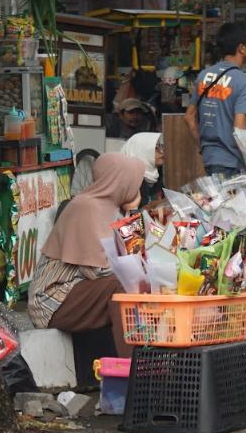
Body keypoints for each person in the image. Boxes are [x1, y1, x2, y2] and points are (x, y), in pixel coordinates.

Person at [28, 153, 147, 379]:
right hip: (53, 299)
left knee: (136, 285)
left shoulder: (110, 208)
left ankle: (142, 365)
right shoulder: (86, 207)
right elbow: (97, 271)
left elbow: (130, 255)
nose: (137, 190)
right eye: (134, 183)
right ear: (119, 182)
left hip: (79, 291)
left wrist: (131, 213)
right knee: (121, 289)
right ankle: (133, 374)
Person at [186, 23, 246, 176]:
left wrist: (204, 147)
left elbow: (189, 117)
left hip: (209, 159)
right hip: (231, 163)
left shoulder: (203, 75)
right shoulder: (245, 83)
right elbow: (239, 129)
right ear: (241, 48)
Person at [119, 131, 165, 210]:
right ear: (141, 151)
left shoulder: (156, 174)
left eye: (161, 147)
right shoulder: (129, 179)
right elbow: (129, 213)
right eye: (156, 148)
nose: (162, 152)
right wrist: (150, 207)